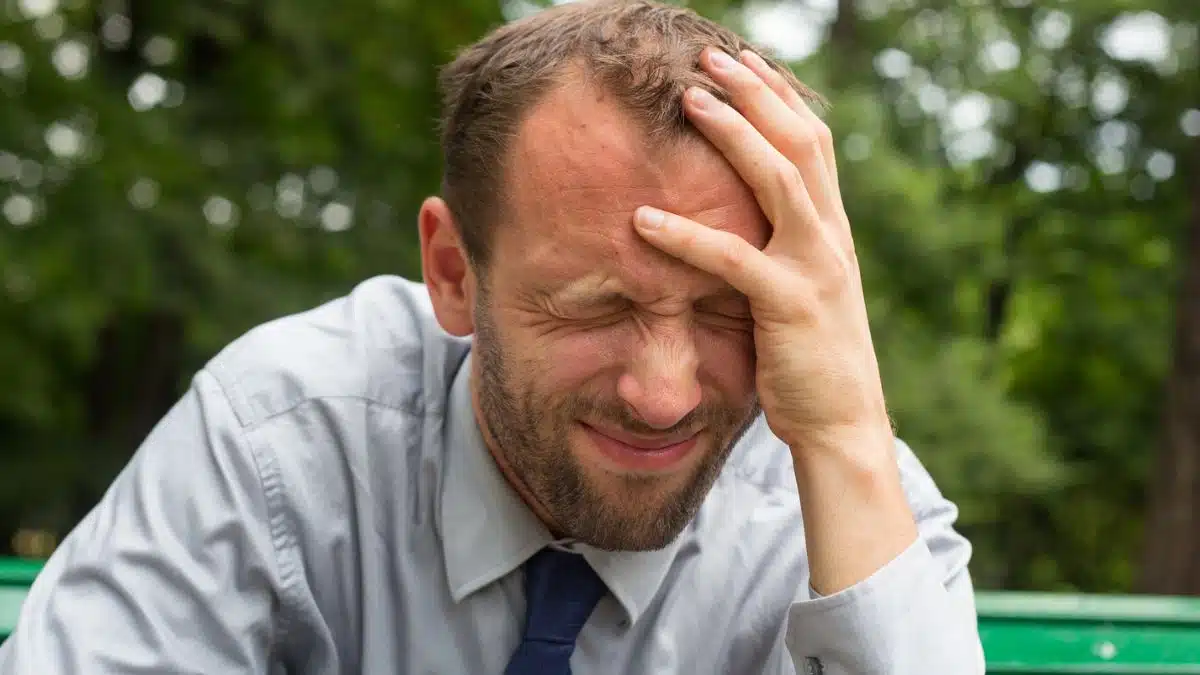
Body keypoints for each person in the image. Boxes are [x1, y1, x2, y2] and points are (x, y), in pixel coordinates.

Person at [0, 1, 984, 672]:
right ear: (453, 274)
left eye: (730, 309)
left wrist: (851, 431)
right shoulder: (284, 436)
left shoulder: (847, 504)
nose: (665, 393)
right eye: (598, 307)